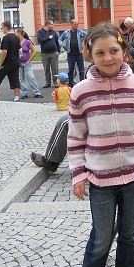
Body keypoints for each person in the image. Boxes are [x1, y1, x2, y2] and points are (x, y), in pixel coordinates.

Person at [67, 22, 134, 267]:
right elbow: (76, 137)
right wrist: (78, 173)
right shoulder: (81, 92)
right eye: (100, 53)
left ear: (123, 50)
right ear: (90, 55)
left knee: (130, 235)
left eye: (113, 51)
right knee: (101, 238)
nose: (108, 58)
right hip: (100, 180)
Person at [31, 32, 93, 173]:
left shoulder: (97, 68)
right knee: (65, 119)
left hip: (100, 116)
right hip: (96, 113)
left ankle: (51, 162)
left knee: (65, 122)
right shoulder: (93, 68)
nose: (81, 51)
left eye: (83, 47)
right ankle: (52, 159)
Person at [0, 21, 21, 102]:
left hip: (7, 63)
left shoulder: (6, 38)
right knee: (15, 80)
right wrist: (17, 58)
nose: (1, 29)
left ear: (6, 27)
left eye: (2, 27)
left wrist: (0, 63)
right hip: (15, 62)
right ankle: (16, 98)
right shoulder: (16, 37)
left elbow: (4, 52)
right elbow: (20, 50)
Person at [15, 27, 43, 99]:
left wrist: (29, 60)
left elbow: (34, 51)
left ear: (19, 33)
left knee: (31, 77)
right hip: (19, 63)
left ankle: (36, 92)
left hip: (26, 62)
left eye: (16, 33)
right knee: (21, 79)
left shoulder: (27, 42)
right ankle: (24, 93)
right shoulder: (16, 42)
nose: (15, 34)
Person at [58, 19, 88, 87]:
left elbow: (88, 37)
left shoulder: (81, 32)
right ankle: (70, 84)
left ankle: (82, 84)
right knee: (70, 70)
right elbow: (59, 39)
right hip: (70, 54)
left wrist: (85, 46)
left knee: (81, 70)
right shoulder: (66, 33)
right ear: (71, 24)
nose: (76, 25)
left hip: (79, 54)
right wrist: (63, 45)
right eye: (75, 24)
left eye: (77, 24)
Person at [37, 19, 61, 88]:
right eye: (52, 24)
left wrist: (58, 50)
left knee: (55, 68)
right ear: (47, 25)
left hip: (53, 52)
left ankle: (56, 81)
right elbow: (39, 40)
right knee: (46, 68)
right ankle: (48, 82)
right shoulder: (40, 32)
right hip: (45, 53)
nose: (53, 25)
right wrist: (48, 38)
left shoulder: (53, 32)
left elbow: (57, 41)